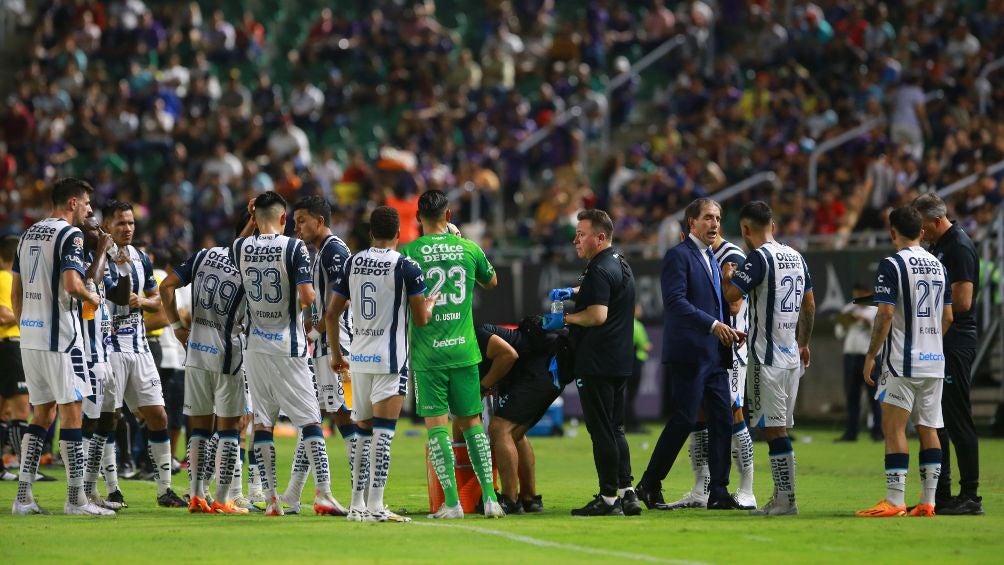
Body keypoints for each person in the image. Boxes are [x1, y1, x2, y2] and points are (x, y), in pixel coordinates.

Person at [230, 190, 343, 516]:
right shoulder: (293, 247)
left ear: (255, 217)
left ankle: (272, 500)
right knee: (310, 422)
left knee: (262, 424)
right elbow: (307, 297)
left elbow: (237, 246)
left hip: (255, 347)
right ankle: (323, 494)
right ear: (283, 218)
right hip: (288, 346)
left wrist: (251, 221)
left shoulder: (240, 247)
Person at [634, 198, 745, 513]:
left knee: (722, 420)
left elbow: (715, 304)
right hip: (689, 354)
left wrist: (728, 332)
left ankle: (719, 491)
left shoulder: (711, 257)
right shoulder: (678, 256)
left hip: (714, 354)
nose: (714, 224)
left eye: (718, 218)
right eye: (708, 217)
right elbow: (675, 302)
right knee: (684, 419)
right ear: (692, 223)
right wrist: (713, 325)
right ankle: (649, 483)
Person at [11, 177, 113, 516]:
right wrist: (91, 295)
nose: (88, 210)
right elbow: (72, 284)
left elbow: (17, 290)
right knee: (72, 412)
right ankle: (75, 500)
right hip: (63, 340)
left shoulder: (27, 234)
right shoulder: (71, 235)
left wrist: (26, 326)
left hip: (31, 338)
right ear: (72, 203)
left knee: (42, 414)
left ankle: (23, 497)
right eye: (86, 204)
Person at [327, 205, 436, 522]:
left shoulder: (353, 262)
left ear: (371, 233)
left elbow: (332, 313)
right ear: (399, 234)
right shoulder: (407, 266)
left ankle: (357, 504)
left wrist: (337, 354)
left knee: (361, 431)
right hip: (390, 361)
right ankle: (375, 506)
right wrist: (428, 304)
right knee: (383, 434)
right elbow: (420, 319)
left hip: (358, 360)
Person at [400, 189, 503, 519]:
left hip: (428, 353)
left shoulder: (409, 252)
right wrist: (457, 239)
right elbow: (492, 282)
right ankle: (490, 499)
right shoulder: (468, 248)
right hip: (463, 349)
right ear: (448, 215)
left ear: (418, 219)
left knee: (437, 426)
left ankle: (452, 503)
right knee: (472, 423)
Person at [856, 206, 952, 517]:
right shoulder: (939, 266)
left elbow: (884, 314)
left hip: (902, 361)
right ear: (922, 232)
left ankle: (895, 501)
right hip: (934, 361)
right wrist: (930, 341)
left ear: (892, 231)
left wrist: (871, 355)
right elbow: (948, 316)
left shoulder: (892, 264)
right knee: (929, 427)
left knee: (894, 427)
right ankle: (928, 501)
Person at [545, 208, 641, 516]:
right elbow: (603, 291)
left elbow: (597, 314)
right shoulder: (618, 262)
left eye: (581, 234)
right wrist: (574, 292)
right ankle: (628, 494)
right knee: (616, 429)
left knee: (601, 431)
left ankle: (608, 498)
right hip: (620, 359)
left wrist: (564, 319)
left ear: (600, 237)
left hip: (597, 361)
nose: (575, 239)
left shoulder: (598, 269)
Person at [724, 201, 815, 516]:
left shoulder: (758, 258)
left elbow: (732, 296)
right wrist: (804, 343)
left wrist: (729, 275)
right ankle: (783, 497)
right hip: (791, 355)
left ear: (746, 230)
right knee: (780, 429)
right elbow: (810, 305)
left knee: (773, 430)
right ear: (773, 226)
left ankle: (785, 500)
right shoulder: (797, 256)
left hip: (766, 357)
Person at [160, 220, 252, 514]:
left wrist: (176, 327)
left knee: (198, 428)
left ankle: (197, 495)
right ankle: (223, 498)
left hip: (196, 352)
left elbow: (166, 287)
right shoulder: (250, 268)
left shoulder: (203, 255)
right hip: (228, 356)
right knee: (228, 430)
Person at [663, 230, 758, 510]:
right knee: (700, 416)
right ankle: (701, 488)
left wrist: (728, 280)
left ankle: (747, 489)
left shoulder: (732, 256)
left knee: (733, 412)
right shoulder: (701, 256)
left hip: (732, 347)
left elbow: (735, 301)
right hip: (707, 349)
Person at [102, 200, 186, 508]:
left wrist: (142, 302)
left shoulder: (141, 258)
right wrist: (131, 298)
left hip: (139, 348)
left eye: (131, 223)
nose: (127, 228)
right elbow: (114, 295)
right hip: (108, 347)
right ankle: (112, 488)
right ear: (107, 224)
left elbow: (156, 301)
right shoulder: (97, 257)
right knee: (109, 418)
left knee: (158, 415)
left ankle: (164, 490)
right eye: (121, 223)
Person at [283, 196, 356, 514]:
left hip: (335, 348)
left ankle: (361, 495)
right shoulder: (321, 251)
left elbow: (341, 304)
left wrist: (321, 336)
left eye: (301, 220)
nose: (296, 227)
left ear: (319, 221)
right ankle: (293, 494)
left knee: (344, 416)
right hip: (324, 347)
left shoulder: (334, 251)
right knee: (311, 419)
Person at [912, 193, 983, 515]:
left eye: (922, 225)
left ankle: (970, 496)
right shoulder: (939, 247)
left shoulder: (958, 247)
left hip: (955, 341)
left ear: (937, 220)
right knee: (935, 420)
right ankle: (941, 495)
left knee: (957, 419)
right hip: (940, 341)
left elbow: (964, 302)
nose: (920, 231)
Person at [476, 317, 572, 515]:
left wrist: (484, 385)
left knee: (500, 428)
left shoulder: (476, 335)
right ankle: (529, 498)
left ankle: (509, 499)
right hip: (550, 371)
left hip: (540, 370)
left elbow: (508, 356)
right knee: (515, 433)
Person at [78, 216, 130, 511]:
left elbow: (119, 296)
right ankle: (82, 492)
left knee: (109, 419)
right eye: (95, 228)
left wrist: (122, 265)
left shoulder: (102, 260)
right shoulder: (78, 259)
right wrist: (102, 251)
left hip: (105, 352)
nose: (102, 233)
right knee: (89, 421)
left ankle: (91, 489)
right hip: (86, 356)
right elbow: (89, 283)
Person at [835, 282, 882, 442]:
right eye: (856, 294)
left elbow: (881, 331)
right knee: (851, 395)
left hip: (869, 357)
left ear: (868, 293)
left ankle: (877, 432)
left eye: (861, 294)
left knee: (873, 396)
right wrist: (847, 323)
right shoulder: (848, 309)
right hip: (850, 355)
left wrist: (867, 322)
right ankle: (851, 432)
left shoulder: (876, 309)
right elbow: (839, 333)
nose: (858, 297)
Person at [0, 235, 29, 482]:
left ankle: (2, 466)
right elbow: (4, 315)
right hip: (11, 347)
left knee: (5, 409)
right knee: (21, 407)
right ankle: (26, 468)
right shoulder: (5, 278)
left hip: (8, 347)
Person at [625, 304, 651, 434]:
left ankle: (628, 423)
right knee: (630, 396)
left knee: (626, 396)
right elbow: (645, 346)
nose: (641, 311)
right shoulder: (637, 325)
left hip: (625, 363)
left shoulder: (623, 323)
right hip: (635, 363)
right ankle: (632, 424)